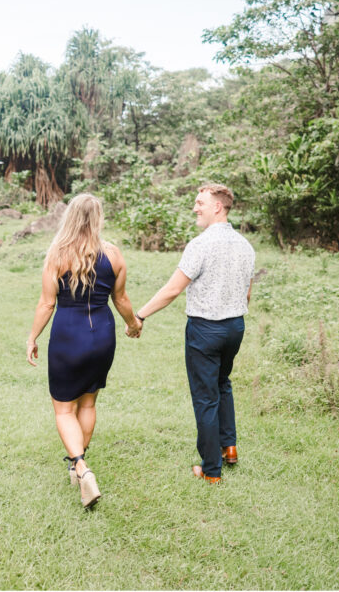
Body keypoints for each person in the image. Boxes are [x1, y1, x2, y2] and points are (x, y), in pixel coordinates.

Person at [132, 183, 254, 484]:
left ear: (218, 206)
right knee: (223, 383)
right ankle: (230, 447)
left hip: (205, 330)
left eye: (200, 202)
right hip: (235, 327)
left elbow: (173, 289)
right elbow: (247, 294)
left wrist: (139, 315)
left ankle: (211, 470)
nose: (195, 208)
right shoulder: (246, 245)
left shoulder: (200, 245)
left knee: (205, 397)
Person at [26, 194, 141, 508]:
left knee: (64, 409)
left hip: (67, 335)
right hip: (102, 336)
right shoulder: (114, 255)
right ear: (99, 218)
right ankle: (77, 468)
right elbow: (121, 300)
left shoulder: (57, 255)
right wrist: (133, 324)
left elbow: (47, 303)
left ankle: (81, 467)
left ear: (70, 217)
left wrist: (32, 337)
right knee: (88, 402)